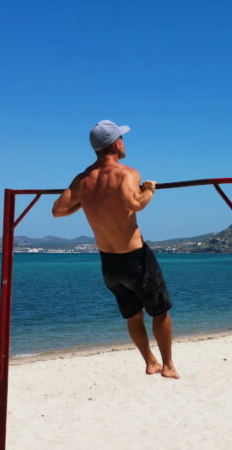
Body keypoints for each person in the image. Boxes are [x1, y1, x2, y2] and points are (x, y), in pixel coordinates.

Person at [52, 120, 179, 379]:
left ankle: (150, 362)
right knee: (160, 311)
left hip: (109, 264)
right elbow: (135, 202)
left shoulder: (82, 179)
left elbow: (58, 210)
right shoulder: (126, 173)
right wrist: (150, 191)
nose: (124, 142)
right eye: (122, 138)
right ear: (116, 143)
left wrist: (84, 201)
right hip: (135, 259)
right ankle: (167, 365)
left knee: (133, 314)